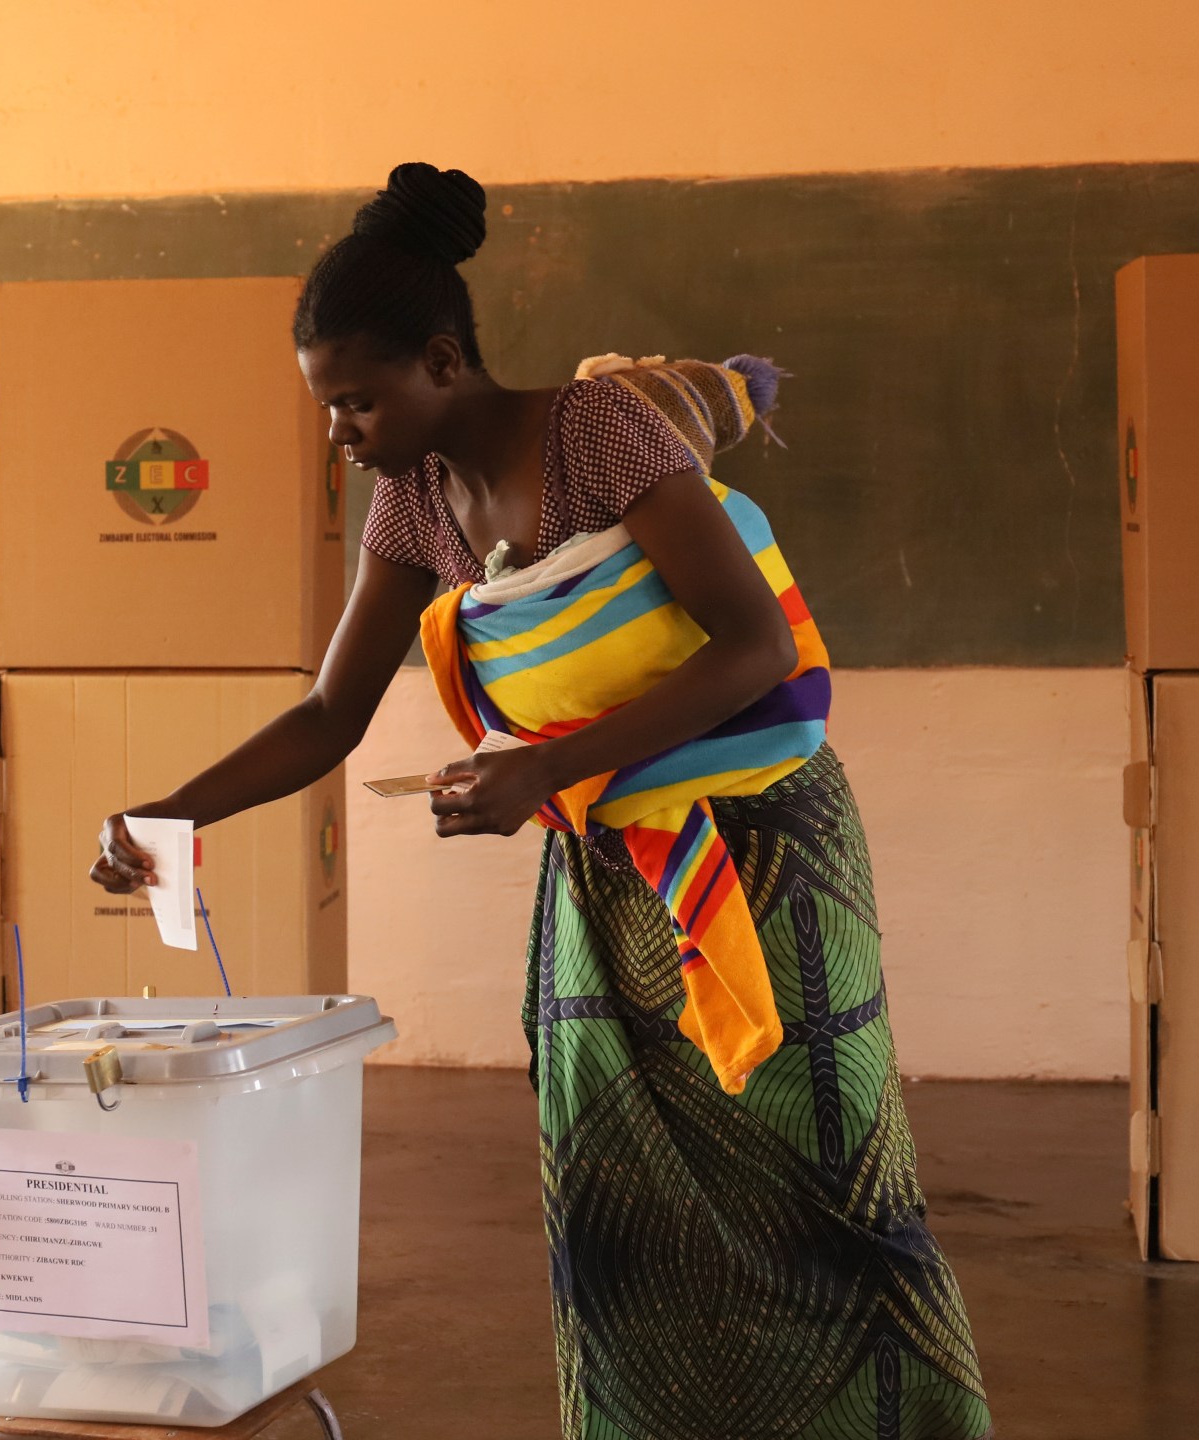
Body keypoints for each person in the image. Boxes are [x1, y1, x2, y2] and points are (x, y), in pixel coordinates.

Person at [90, 162, 992, 1440]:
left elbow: (754, 650)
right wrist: (171, 813)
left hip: (759, 854)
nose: (338, 436)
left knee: (814, 1175)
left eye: (354, 402)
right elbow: (328, 715)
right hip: (608, 874)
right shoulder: (414, 505)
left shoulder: (596, 436)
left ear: (444, 363)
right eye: (326, 408)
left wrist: (543, 768)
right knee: (620, 1200)